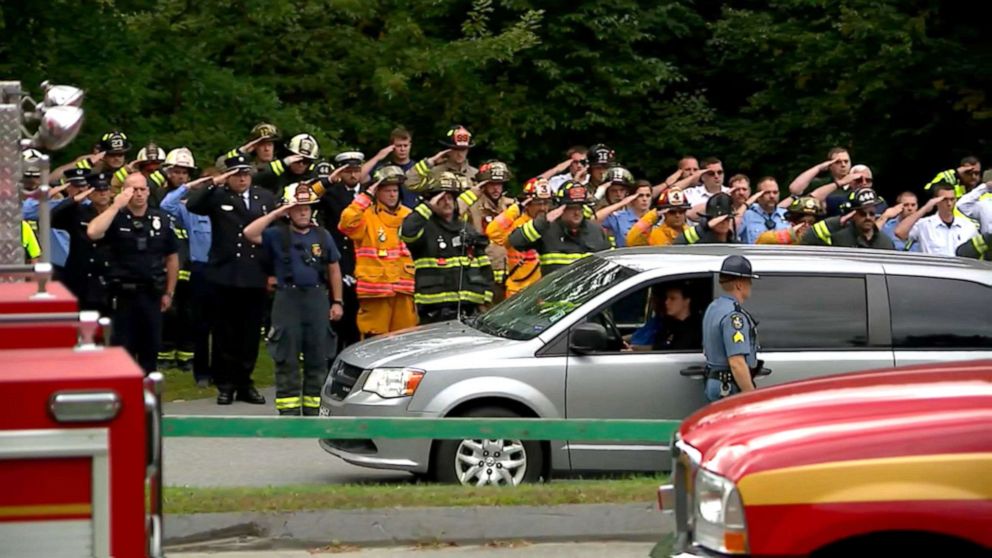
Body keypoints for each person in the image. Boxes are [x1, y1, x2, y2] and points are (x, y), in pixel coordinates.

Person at [244, 183, 343, 416]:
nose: (302, 212)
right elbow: (250, 233)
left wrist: (337, 301)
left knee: (318, 354)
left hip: (317, 298)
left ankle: (313, 408)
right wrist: (276, 213)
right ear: (289, 211)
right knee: (286, 355)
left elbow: (334, 268)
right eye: (297, 208)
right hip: (287, 298)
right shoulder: (277, 235)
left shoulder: (322, 235)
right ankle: (288, 409)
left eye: (306, 208)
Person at [187, 154, 277, 405]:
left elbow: (273, 236)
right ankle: (224, 384)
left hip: (254, 274)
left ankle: (244, 383)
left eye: (246, 174)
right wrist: (215, 182)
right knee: (225, 333)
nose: (242, 179)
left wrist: (272, 272)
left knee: (249, 335)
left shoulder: (264, 198)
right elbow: (192, 205)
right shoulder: (217, 196)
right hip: (224, 274)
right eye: (236, 174)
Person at [87, 175, 179, 374]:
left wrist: (169, 292)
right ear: (124, 192)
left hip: (152, 294)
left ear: (148, 191)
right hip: (123, 296)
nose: (138, 194)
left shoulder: (161, 219)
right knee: (123, 351)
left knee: (150, 349)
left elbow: (172, 257)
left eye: (142, 189)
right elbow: (93, 232)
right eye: (133, 190)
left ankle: (148, 397)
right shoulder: (115, 217)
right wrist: (114, 206)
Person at [400, 172, 494, 324]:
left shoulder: (467, 229)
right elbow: (406, 232)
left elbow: (484, 266)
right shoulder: (424, 228)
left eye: (450, 198)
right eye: (441, 199)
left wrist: (486, 298)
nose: (446, 202)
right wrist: (428, 206)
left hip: (469, 309)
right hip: (434, 311)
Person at [338, 165, 418, 339]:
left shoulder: (409, 216)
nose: (391, 194)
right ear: (377, 192)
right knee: (375, 339)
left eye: (395, 190)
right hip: (375, 291)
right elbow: (346, 224)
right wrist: (365, 196)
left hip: (404, 290)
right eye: (387, 190)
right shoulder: (366, 215)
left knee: (405, 338)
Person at [161, 170, 215, 387]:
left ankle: (223, 373)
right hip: (201, 269)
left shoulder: (230, 208)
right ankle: (201, 373)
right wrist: (189, 187)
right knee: (199, 324)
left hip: (225, 270)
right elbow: (166, 206)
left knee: (224, 327)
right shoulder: (192, 210)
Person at [312, 152, 364, 350]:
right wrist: (327, 181)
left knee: (358, 319)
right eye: (348, 171)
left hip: (363, 259)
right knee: (338, 316)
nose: (353, 175)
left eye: (356, 170)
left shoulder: (369, 193)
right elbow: (307, 195)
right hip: (338, 259)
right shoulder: (331, 193)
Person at [509, 180, 611, 276]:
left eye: (580, 207)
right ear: (560, 208)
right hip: (555, 292)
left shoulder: (596, 231)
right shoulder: (547, 230)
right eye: (571, 207)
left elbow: (610, 265)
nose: (577, 213)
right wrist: (543, 222)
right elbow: (515, 241)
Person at [51, 171, 114, 315]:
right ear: (89, 193)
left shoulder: (118, 213)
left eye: (106, 189)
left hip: (108, 279)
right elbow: (51, 218)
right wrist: (73, 200)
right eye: (97, 190)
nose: (102, 193)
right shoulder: (78, 212)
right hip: (80, 279)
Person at [702, 255, 760, 402]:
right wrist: (751, 396)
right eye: (749, 281)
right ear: (740, 285)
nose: (750, 285)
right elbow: (736, 363)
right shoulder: (735, 317)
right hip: (728, 387)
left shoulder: (714, 307)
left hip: (715, 381)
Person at [486, 177, 552, 298]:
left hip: (544, 292)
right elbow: (492, 232)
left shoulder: (551, 224)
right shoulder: (515, 224)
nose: (543, 208)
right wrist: (516, 209)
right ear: (528, 203)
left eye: (546, 202)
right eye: (538, 202)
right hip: (518, 294)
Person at [467, 161, 516, 301]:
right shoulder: (473, 206)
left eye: (499, 184)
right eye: (492, 184)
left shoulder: (510, 206)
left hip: (509, 271)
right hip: (483, 273)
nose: (496, 188)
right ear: (483, 184)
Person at [893, 183, 976, 256]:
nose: (949, 203)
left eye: (952, 199)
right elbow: (899, 232)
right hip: (935, 272)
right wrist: (925, 208)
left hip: (963, 271)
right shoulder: (924, 225)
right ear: (935, 201)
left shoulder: (968, 226)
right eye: (944, 199)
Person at [800, 188, 895, 249]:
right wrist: (838, 221)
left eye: (872, 213)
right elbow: (808, 239)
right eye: (862, 214)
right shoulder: (839, 238)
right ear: (853, 215)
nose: (868, 217)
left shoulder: (886, 242)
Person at [405, 125, 478, 192]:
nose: (460, 154)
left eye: (463, 150)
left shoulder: (475, 174)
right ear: (447, 150)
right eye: (456, 149)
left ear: (468, 150)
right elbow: (409, 182)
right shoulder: (435, 173)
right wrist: (430, 162)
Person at [629, 284, 702, 351]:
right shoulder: (670, 324)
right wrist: (633, 349)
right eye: (667, 298)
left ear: (687, 301)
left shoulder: (693, 330)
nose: (666, 302)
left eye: (672, 298)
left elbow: (671, 352)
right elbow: (659, 347)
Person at [362, 127, 418, 208]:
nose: (402, 149)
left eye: (405, 146)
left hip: (412, 215)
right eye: (399, 146)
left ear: (410, 146)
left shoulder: (418, 168)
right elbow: (360, 178)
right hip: (386, 215)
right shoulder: (382, 168)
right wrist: (378, 157)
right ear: (391, 147)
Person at [253, 133, 320, 195]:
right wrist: (283, 163)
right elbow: (255, 179)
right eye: (298, 160)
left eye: (306, 161)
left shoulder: (313, 179)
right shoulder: (277, 174)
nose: (301, 164)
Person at [595, 170, 645, 247]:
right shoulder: (602, 213)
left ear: (627, 192)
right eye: (614, 191)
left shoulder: (635, 212)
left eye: (622, 190)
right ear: (607, 193)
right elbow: (593, 219)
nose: (618, 194)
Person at [626, 189, 691, 247]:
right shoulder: (653, 234)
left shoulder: (692, 232)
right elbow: (631, 241)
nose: (677, 215)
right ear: (664, 213)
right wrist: (654, 214)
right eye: (672, 212)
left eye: (681, 211)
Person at [755, 196, 823, 245]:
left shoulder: (822, 240)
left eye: (811, 223)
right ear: (792, 222)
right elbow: (761, 240)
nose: (806, 226)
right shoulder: (785, 237)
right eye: (802, 222)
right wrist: (791, 234)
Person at [739, 177, 788, 244]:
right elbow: (731, 233)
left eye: (775, 192)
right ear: (758, 195)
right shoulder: (746, 215)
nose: (772, 196)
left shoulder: (787, 215)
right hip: (754, 254)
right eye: (767, 192)